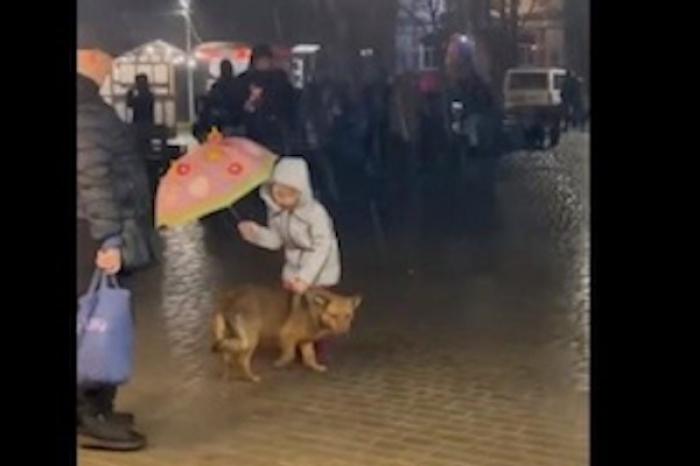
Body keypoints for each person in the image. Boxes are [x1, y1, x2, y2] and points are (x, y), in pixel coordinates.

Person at [77, 30, 159, 451]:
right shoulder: (84, 107)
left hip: (90, 228)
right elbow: (91, 175)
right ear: (87, 57)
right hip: (92, 232)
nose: (111, 69)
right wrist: (108, 239)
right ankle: (92, 412)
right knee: (97, 320)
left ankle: (94, 406)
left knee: (94, 317)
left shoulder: (88, 102)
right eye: (107, 61)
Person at [236, 157, 341, 361]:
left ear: (301, 193)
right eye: (277, 194)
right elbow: (276, 240)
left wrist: (306, 277)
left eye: (288, 195)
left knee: (319, 309)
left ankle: (320, 347)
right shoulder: (277, 213)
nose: (282, 199)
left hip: (319, 267)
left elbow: (322, 246)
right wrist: (255, 233)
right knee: (297, 307)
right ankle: (298, 343)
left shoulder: (316, 214)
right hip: (294, 265)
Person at [234, 44, 296, 154]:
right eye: (260, 60)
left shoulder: (279, 79)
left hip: (274, 134)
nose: (263, 63)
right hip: (250, 134)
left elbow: (289, 105)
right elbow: (236, 106)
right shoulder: (243, 81)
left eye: (265, 60)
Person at [207, 59, 241, 136]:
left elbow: (212, 102)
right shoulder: (238, 84)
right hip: (236, 120)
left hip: (222, 119)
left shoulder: (217, 85)